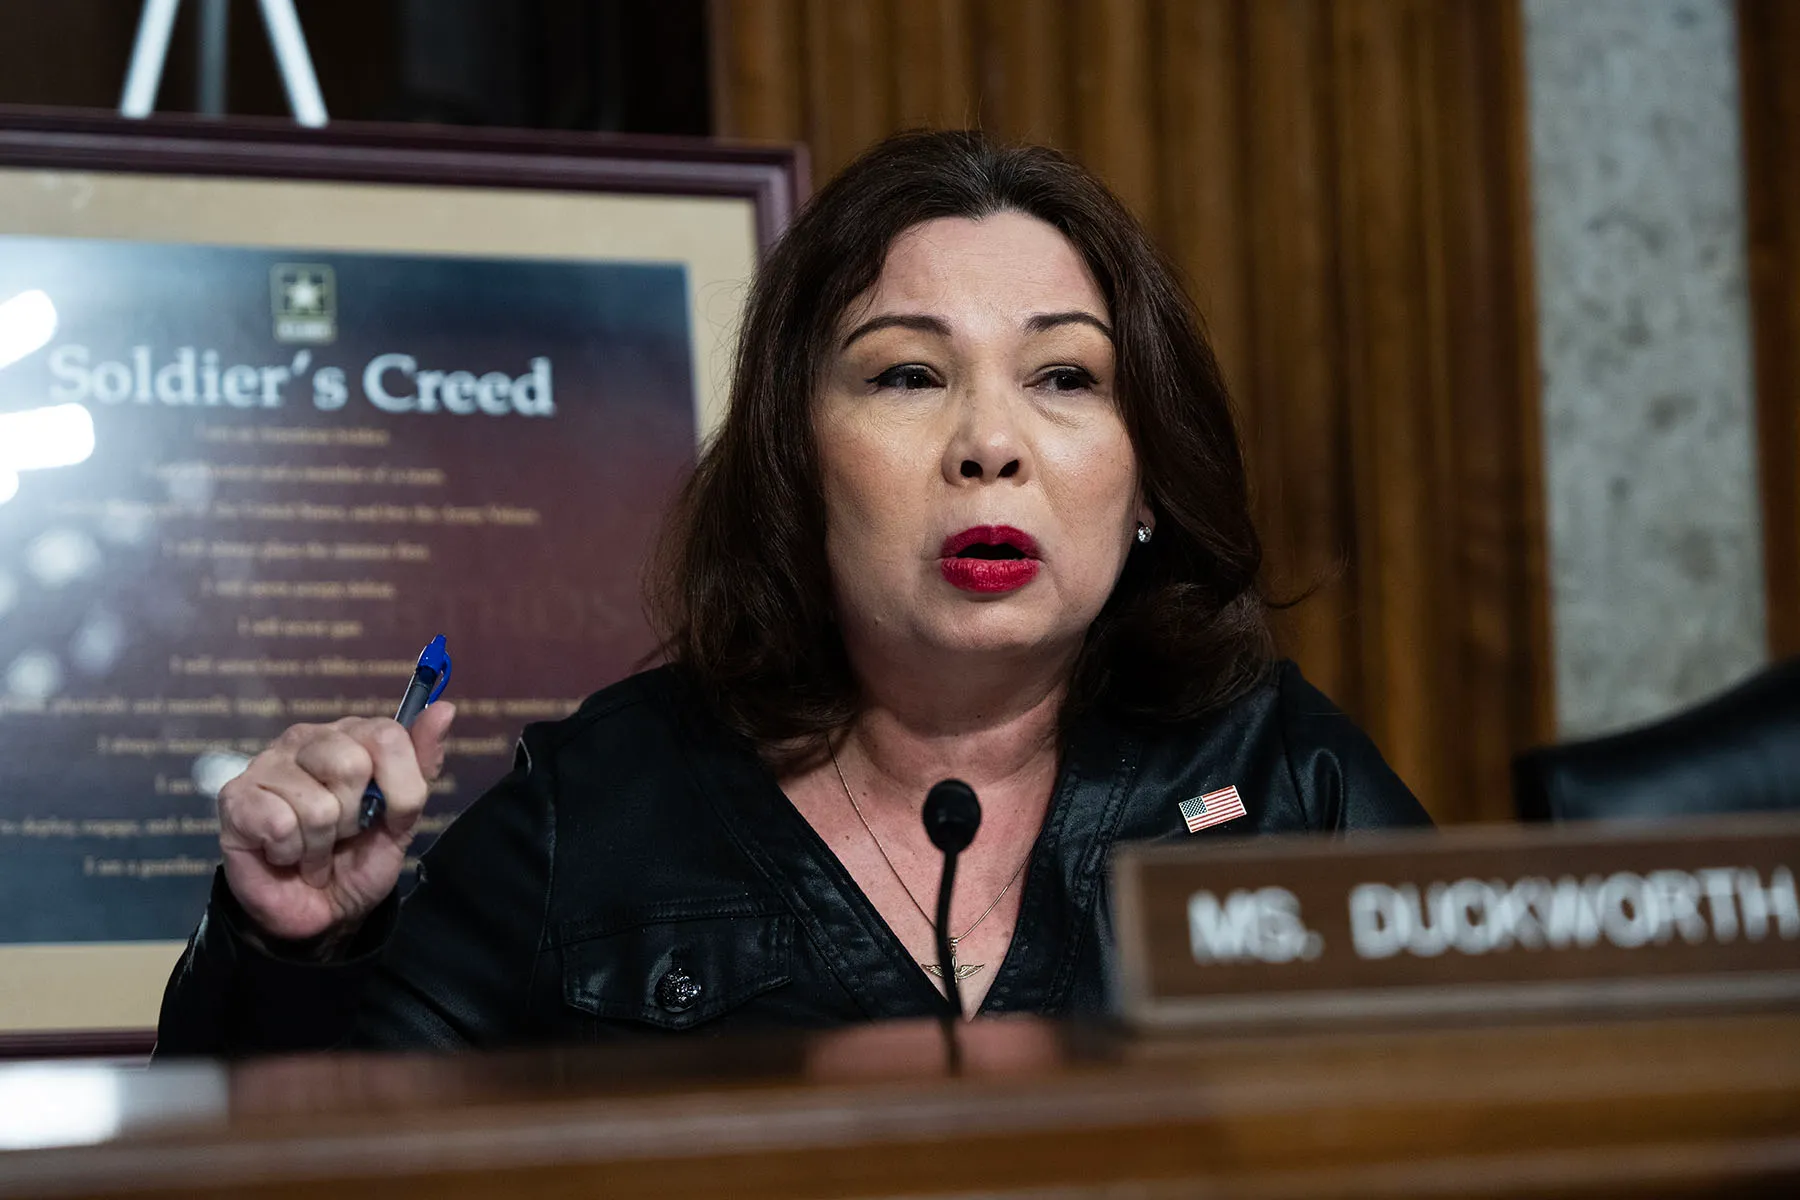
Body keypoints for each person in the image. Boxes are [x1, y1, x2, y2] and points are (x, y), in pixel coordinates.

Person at [154, 129, 1430, 1057]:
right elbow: (287, 1170)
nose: (992, 443)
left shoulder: (1281, 778)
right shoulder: (596, 805)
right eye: (906, 377)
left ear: (1147, 480)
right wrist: (293, 951)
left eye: (1065, 379)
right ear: (794, 460)